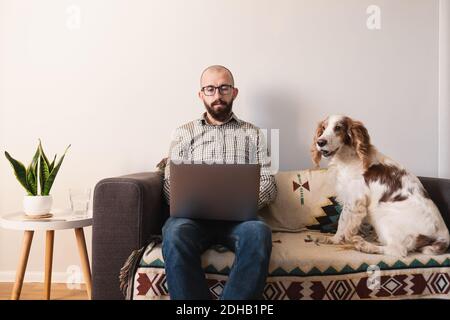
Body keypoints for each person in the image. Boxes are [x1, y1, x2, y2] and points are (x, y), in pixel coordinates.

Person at [161, 65, 277, 299]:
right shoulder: (183, 133)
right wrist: (188, 201)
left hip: (240, 221)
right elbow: (169, 183)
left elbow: (269, 184)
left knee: (259, 233)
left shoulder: (253, 133)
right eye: (210, 89)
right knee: (174, 233)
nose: (217, 95)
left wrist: (241, 203)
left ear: (234, 92)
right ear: (201, 94)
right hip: (191, 219)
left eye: (224, 88)